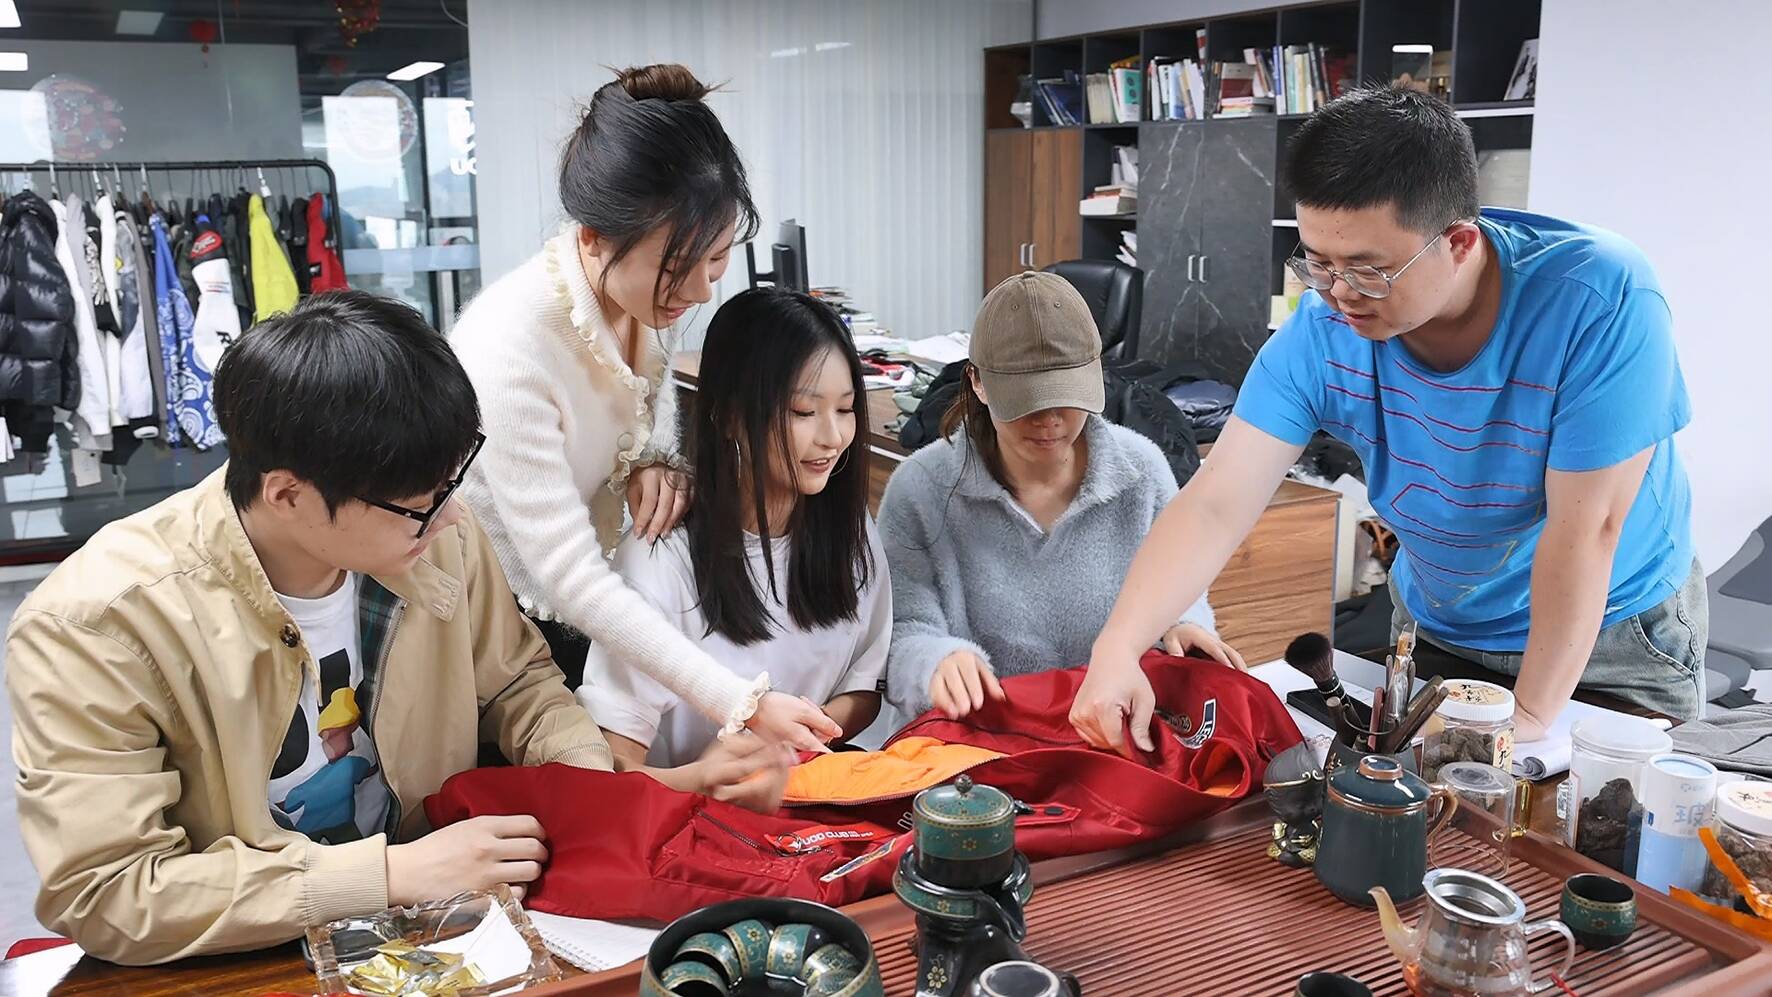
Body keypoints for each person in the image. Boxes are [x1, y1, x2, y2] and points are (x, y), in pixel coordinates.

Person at [2, 291, 658, 965]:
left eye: (450, 484)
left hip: (445, 928)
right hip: (247, 953)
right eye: (420, 503)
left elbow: (517, 681)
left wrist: (584, 788)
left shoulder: (438, 539)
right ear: (288, 495)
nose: (452, 516)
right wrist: (391, 875)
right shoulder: (97, 624)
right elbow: (111, 891)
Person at [1075, 85, 1701, 756]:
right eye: (1318, 263)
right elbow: (1215, 503)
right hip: (1439, 621)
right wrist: (1118, 647)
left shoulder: (1598, 297)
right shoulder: (1322, 331)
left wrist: (1523, 719)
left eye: (1368, 270)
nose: (1339, 294)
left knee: (1574, 812)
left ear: (1458, 242)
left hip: (1604, 637)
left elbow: (1587, 531)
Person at [449, 63, 839, 753]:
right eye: (677, 267)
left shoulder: (640, 298)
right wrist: (741, 701)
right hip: (499, 625)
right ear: (592, 237)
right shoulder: (509, 349)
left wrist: (656, 458)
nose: (700, 290)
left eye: (717, 259)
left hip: (594, 606)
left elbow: (644, 411)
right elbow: (569, 579)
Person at [880, 271, 1240, 722]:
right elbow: (902, 630)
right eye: (1026, 400)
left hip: (1106, 733)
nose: (1049, 419)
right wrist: (934, 662)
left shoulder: (1142, 472)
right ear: (978, 382)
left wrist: (1184, 624)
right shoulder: (921, 489)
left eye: (1066, 395)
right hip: (975, 744)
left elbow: (1181, 589)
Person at [579, 288, 888, 810]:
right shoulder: (659, 558)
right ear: (728, 416)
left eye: (846, 409)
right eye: (803, 411)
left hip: (809, 804)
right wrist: (707, 777)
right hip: (690, 823)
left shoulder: (849, 528)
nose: (834, 437)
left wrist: (796, 740)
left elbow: (864, 686)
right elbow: (614, 771)